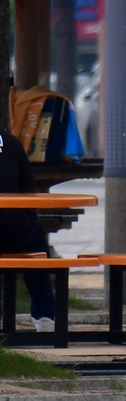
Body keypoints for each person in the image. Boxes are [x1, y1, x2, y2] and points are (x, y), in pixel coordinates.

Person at [0, 130, 56, 333]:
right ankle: (44, 315)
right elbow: (28, 191)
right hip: (15, 231)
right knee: (36, 240)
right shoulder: (10, 143)